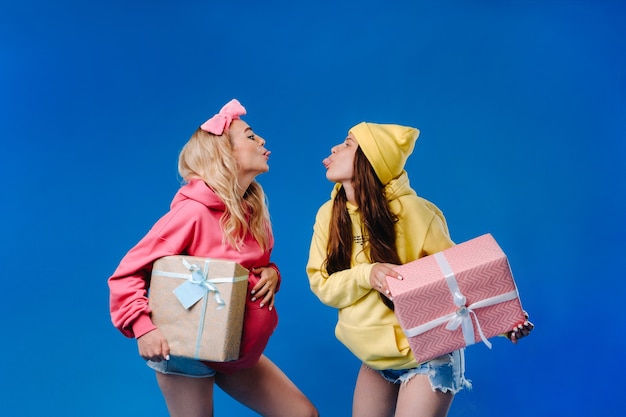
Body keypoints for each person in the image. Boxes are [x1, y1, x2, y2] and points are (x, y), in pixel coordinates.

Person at [306, 121, 534, 417]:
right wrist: (367, 274)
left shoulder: (416, 213)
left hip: (431, 355)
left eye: (348, 143)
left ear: (371, 160)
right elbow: (322, 285)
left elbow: (459, 281)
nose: (335, 148)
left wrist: (504, 323)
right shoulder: (329, 215)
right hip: (375, 359)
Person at [108, 99, 318, 417]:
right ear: (226, 154)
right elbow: (127, 273)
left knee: (302, 414)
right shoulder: (192, 211)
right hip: (184, 350)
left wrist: (272, 274)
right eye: (250, 135)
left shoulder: (255, 214)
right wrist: (143, 327)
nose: (262, 140)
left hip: (232, 346)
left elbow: (246, 269)